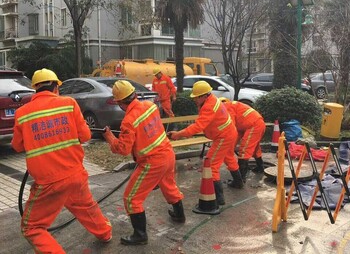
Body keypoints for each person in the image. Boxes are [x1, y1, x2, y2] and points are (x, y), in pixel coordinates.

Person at [11, 68, 112, 254]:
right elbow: (85, 135)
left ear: (35, 89)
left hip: (49, 182)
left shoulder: (23, 113)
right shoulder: (68, 103)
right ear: (56, 87)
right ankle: (105, 233)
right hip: (75, 174)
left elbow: (17, 146)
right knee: (85, 205)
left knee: (31, 227)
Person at [102, 80, 185, 246]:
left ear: (119, 102)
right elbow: (145, 129)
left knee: (132, 198)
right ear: (134, 94)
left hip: (152, 162)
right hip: (168, 154)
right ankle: (179, 215)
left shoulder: (128, 121)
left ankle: (140, 235)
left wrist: (110, 137)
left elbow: (124, 149)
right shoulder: (149, 105)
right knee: (168, 186)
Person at [167, 81, 244, 206]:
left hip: (223, 137)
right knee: (229, 158)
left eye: (196, 97)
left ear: (203, 96)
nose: (194, 100)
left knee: (210, 165)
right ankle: (238, 182)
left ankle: (218, 199)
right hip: (229, 133)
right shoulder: (211, 100)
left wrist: (178, 134)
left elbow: (198, 126)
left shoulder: (209, 106)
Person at [219, 97, 266, 182]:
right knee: (254, 148)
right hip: (251, 124)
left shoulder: (226, 108)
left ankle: (241, 179)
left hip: (253, 125)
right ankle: (260, 168)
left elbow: (230, 127)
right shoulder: (232, 105)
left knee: (244, 150)